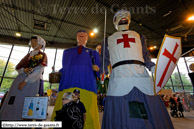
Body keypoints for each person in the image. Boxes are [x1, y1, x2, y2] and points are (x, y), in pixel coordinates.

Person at [101, 10, 174, 129]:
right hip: (120, 77)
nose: (123, 18)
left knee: (150, 109)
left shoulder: (139, 36)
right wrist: (102, 72)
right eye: (120, 16)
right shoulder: (108, 39)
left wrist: (152, 66)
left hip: (141, 75)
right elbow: (104, 60)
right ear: (115, 22)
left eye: (126, 16)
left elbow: (145, 56)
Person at [51, 30, 100, 129]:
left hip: (87, 84)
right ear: (76, 38)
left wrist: (97, 69)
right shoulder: (67, 52)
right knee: (64, 110)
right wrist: (57, 73)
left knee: (88, 112)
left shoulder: (94, 53)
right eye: (79, 35)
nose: (81, 35)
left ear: (87, 38)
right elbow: (65, 67)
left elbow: (99, 71)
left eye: (84, 35)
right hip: (68, 84)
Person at [0, 35, 47, 120]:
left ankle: (23, 119)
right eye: (32, 41)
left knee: (27, 101)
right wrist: (23, 70)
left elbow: (38, 70)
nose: (33, 43)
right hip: (20, 79)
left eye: (35, 41)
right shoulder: (28, 55)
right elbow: (19, 66)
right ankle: (10, 117)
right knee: (14, 99)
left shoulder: (42, 55)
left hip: (32, 81)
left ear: (41, 44)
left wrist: (25, 81)